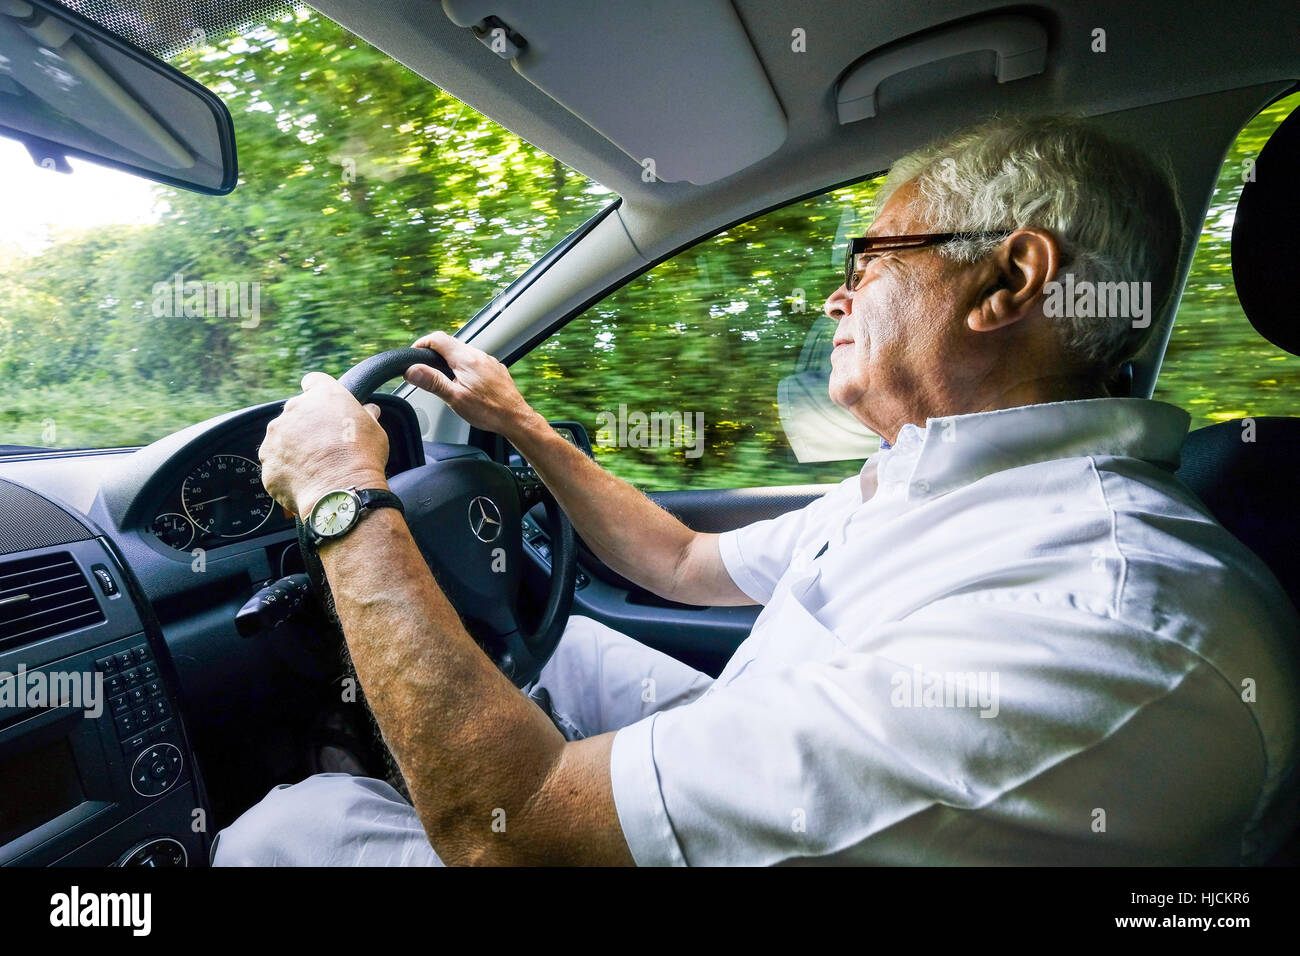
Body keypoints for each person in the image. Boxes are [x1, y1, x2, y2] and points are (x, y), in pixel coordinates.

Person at [213, 116, 1299, 866]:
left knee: (292, 825)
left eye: (872, 255)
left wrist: (345, 498)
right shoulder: (948, 485)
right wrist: (520, 425)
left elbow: (522, 832)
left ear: (1007, 281)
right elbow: (678, 562)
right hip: (767, 749)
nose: (838, 292)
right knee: (567, 651)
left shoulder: (1105, 621)